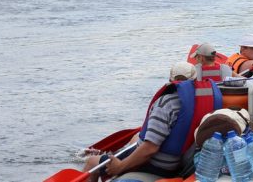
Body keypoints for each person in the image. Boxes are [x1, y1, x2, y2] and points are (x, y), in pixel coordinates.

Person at [82, 62, 222, 182]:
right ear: (195, 80)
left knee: (91, 162)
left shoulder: (167, 103)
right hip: (182, 161)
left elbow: (150, 148)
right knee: (136, 138)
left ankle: (105, 159)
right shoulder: (205, 101)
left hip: (157, 165)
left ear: (170, 79)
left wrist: (121, 166)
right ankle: (117, 152)